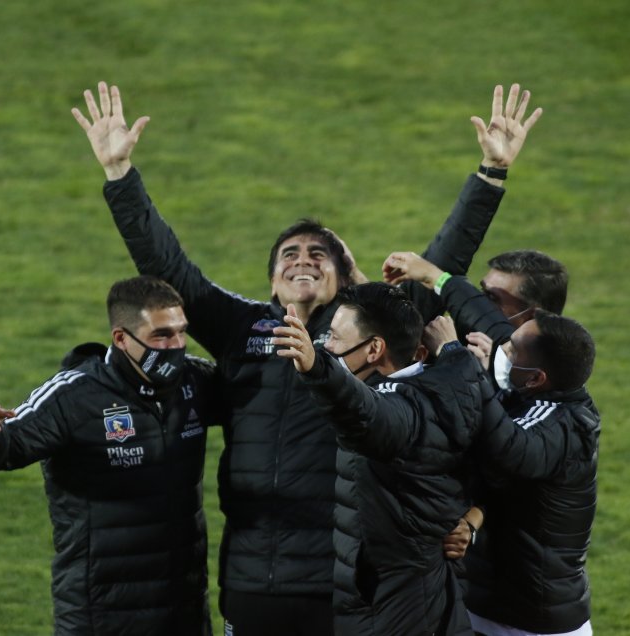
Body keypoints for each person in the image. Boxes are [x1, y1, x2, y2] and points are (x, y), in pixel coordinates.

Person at [71, 80, 541, 634]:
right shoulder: (242, 327)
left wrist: (490, 174)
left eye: (320, 254)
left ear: (344, 277)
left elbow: (444, 257)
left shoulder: (372, 327)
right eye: (289, 253)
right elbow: (169, 268)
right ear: (272, 279)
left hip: (341, 582)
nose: (303, 260)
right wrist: (119, 175)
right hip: (251, 583)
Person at [0, 276, 219, 636]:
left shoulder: (195, 382)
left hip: (183, 610)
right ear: (122, 338)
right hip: (101, 614)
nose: (176, 346)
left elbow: (264, 405)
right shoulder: (75, 395)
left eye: (181, 333)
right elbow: (7, 446)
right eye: (161, 336)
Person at [272, 282, 486, 635]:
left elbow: (369, 414)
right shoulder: (449, 382)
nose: (327, 346)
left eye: (335, 339)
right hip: (408, 600)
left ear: (373, 349)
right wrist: (474, 519)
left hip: (398, 612)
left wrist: (317, 369)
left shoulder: (403, 407)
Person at [421, 311, 600, 636]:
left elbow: (508, 450)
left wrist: (456, 358)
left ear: (536, 378)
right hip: (495, 606)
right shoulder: (528, 401)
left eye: (513, 350)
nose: (501, 351)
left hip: (534, 623)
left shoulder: (562, 423)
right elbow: (500, 480)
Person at [382, 249, 568, 370]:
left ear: (531, 317)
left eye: (492, 298)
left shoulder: (527, 380)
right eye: (481, 292)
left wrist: (450, 353)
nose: (478, 303)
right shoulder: (460, 342)